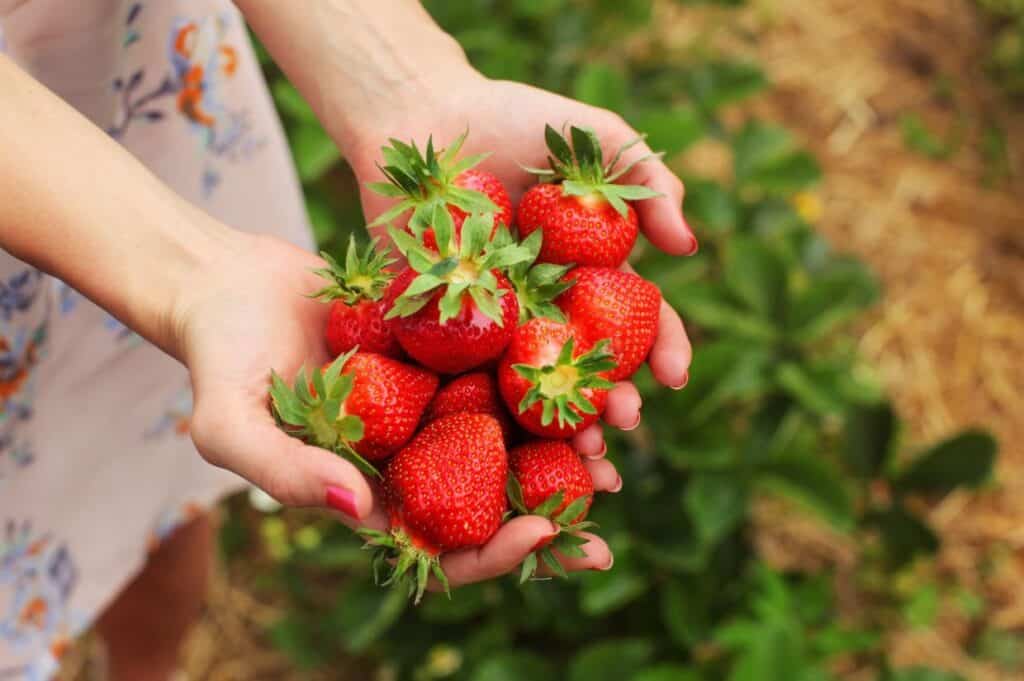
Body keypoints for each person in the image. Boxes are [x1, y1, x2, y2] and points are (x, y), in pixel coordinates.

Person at [0, 1, 696, 679]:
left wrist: (410, 91)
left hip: (136, 72)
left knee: (152, 464)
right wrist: (191, 274)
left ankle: (146, 667)